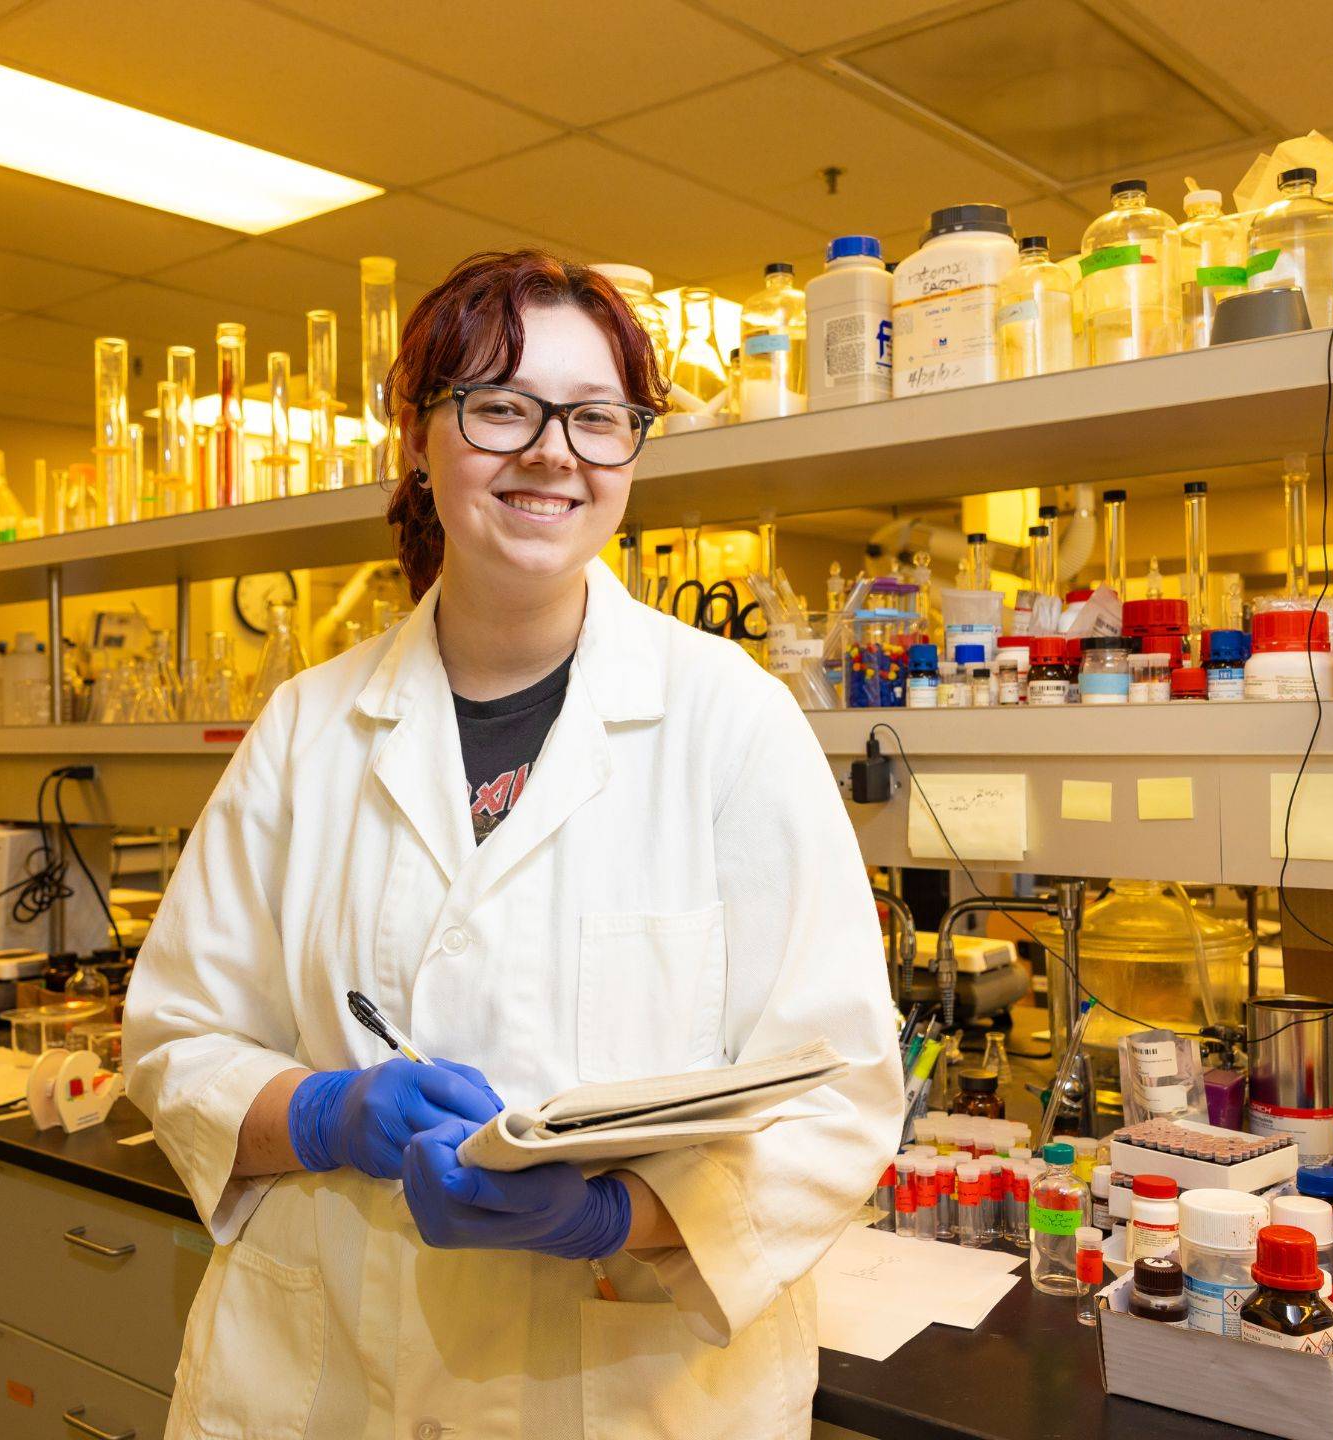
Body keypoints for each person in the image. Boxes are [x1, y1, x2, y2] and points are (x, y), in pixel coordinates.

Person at [123, 249, 903, 1440]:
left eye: (597, 417)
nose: (552, 452)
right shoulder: (305, 730)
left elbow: (838, 1091)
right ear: (420, 439)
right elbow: (177, 1041)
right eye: (500, 407)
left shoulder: (732, 723)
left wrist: (615, 1217)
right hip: (325, 1380)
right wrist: (327, 1114)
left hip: (630, 1391)